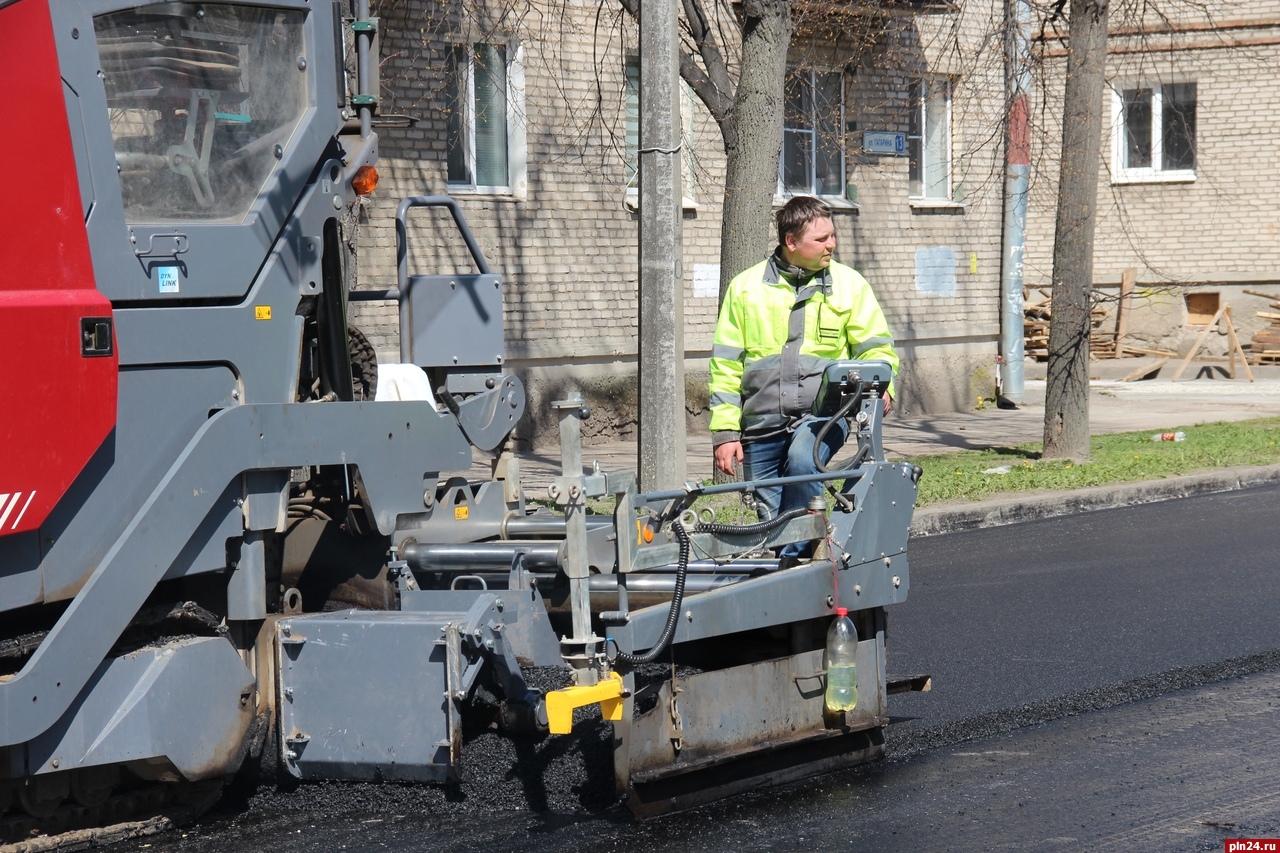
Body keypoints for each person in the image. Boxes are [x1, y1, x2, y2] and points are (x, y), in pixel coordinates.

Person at [708, 196, 899, 529]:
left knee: (801, 462)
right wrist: (725, 433)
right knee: (771, 521)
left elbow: (876, 349)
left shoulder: (849, 285)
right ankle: (800, 562)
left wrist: (882, 387)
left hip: (824, 417)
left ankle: (809, 555)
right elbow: (725, 367)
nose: (832, 245)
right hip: (760, 425)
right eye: (821, 239)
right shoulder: (745, 289)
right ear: (791, 242)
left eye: (832, 236)